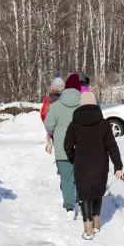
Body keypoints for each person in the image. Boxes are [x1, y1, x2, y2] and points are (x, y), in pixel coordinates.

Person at [64, 91, 123, 240]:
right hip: (100, 165)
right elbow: (112, 146)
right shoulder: (104, 124)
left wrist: (73, 159)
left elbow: (67, 145)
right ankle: (97, 224)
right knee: (97, 192)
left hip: (81, 165)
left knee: (84, 195)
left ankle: (88, 230)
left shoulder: (74, 124)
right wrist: (118, 165)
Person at [44, 73, 82, 221]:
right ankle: (81, 202)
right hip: (81, 147)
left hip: (62, 147)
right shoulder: (84, 104)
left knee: (66, 178)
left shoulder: (57, 105)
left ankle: (69, 209)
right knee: (80, 177)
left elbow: (48, 125)